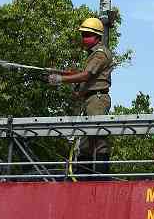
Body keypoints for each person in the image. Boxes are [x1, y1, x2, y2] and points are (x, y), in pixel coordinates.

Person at [48, 17, 114, 174]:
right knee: (85, 143)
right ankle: (83, 179)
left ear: (97, 36)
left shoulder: (100, 54)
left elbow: (86, 76)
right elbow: (85, 75)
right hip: (90, 99)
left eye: (87, 34)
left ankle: (99, 179)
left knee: (97, 139)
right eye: (83, 34)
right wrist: (65, 73)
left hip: (97, 99)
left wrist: (61, 79)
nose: (84, 38)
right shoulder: (92, 55)